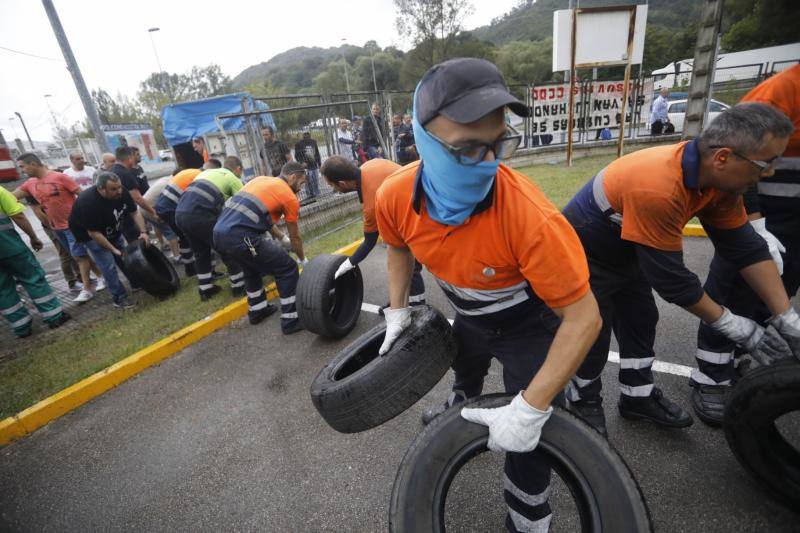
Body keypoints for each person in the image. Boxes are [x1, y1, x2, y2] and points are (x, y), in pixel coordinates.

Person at [374, 58, 601, 532]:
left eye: (500, 143)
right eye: (470, 148)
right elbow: (397, 248)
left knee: (528, 433)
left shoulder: (531, 218)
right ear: (423, 140)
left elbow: (584, 319)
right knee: (466, 365)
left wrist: (533, 406)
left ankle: (528, 516)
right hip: (470, 316)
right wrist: (396, 309)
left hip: (528, 324)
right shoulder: (394, 196)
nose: (491, 162)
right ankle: (463, 410)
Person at [561, 103, 798, 435]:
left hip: (630, 249)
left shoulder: (717, 183)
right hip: (585, 255)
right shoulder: (658, 186)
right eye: (766, 163)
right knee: (592, 332)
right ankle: (582, 401)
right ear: (723, 158)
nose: (770, 173)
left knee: (641, 320)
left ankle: (637, 397)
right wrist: (735, 325)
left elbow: (743, 248)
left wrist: (786, 318)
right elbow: (674, 284)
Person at [689, 64, 800, 425]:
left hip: (795, 222)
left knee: (775, 293)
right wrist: (756, 227)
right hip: (758, 216)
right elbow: (737, 159)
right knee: (734, 294)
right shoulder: (783, 91)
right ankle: (711, 377)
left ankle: (739, 361)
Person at [213, 161, 309, 333]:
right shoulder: (288, 196)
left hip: (219, 234)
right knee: (287, 268)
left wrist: (281, 238)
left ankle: (257, 310)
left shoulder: (260, 181)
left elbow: (263, 219)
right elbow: (296, 237)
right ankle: (291, 319)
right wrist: (302, 259)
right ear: (292, 177)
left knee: (251, 267)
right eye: (301, 183)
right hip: (241, 236)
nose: (301, 188)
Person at [321, 155, 426, 307]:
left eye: (333, 185)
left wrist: (347, 264)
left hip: (421, 211)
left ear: (342, 183)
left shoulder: (371, 202)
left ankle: (417, 307)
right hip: (415, 199)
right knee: (400, 257)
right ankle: (403, 301)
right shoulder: (371, 164)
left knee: (408, 264)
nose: (334, 189)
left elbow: (369, 242)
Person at [14, 153, 102, 303]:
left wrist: (87, 216)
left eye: (23, 166)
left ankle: (87, 289)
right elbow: (10, 196)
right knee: (79, 256)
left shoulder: (59, 177)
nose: (21, 170)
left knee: (79, 257)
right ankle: (101, 277)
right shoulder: (29, 183)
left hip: (72, 225)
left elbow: (82, 195)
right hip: (56, 228)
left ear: (33, 164)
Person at [68, 172, 148, 309]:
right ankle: (119, 298)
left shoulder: (122, 193)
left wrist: (144, 232)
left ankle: (135, 283)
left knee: (125, 256)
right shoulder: (88, 202)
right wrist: (113, 249)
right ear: (100, 189)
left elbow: (135, 212)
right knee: (108, 265)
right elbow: (94, 233)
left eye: (119, 187)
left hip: (111, 229)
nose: (119, 192)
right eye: (113, 189)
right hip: (91, 234)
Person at [0, 187, 70, 337]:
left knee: (3, 289)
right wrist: (33, 237)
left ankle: (21, 327)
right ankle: (54, 316)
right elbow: (18, 216)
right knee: (32, 278)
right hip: (10, 248)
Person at [174, 156, 246, 300]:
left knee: (200, 252)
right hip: (200, 214)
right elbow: (246, 204)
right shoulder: (233, 178)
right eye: (241, 173)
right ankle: (239, 286)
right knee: (226, 247)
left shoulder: (207, 173)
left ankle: (205, 289)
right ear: (238, 169)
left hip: (180, 213)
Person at [154, 168, 203, 276]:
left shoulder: (191, 172)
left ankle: (190, 268)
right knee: (191, 237)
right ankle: (192, 268)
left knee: (184, 237)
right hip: (170, 209)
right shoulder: (200, 177)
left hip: (164, 207)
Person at [112, 146, 159, 242]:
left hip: (117, 218)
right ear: (129, 158)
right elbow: (137, 198)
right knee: (138, 244)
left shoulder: (112, 171)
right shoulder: (124, 174)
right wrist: (153, 212)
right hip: (127, 218)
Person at [294, 129, 322, 198]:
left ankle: (317, 194)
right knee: (309, 181)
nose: (306, 135)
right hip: (306, 166)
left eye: (307, 134)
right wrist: (301, 162)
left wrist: (319, 164)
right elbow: (297, 155)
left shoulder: (313, 142)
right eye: (305, 134)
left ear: (309, 134)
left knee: (316, 181)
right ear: (303, 135)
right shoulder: (298, 144)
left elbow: (317, 153)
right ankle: (310, 195)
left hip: (314, 164)